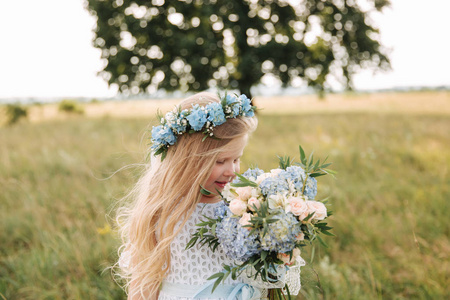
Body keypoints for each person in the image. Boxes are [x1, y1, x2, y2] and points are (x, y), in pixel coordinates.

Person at [116, 91, 259, 299]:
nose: (232, 170)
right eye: (220, 161)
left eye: (236, 159)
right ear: (189, 160)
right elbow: (144, 283)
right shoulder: (164, 210)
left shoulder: (243, 202)